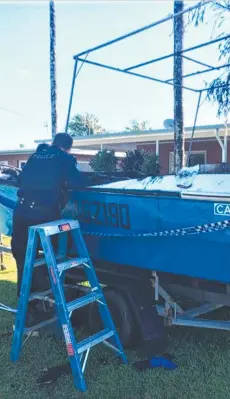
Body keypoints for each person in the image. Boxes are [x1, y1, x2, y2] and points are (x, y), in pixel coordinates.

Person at [11, 133, 83, 325]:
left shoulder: (35, 156)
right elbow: (78, 183)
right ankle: (56, 304)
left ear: (53, 143)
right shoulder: (65, 159)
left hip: (22, 211)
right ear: (67, 148)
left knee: (23, 259)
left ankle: (27, 310)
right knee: (55, 258)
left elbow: (22, 180)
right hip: (43, 216)